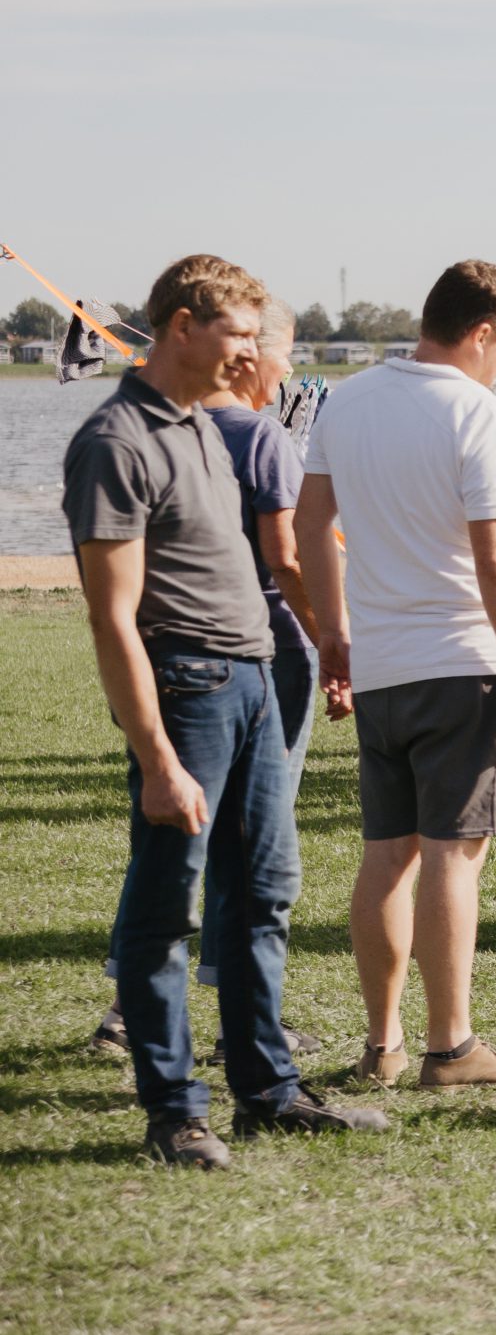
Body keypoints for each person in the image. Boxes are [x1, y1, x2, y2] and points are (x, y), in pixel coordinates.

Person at [65, 254, 387, 1168]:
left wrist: (324, 639)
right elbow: (112, 616)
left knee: (264, 891)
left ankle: (269, 1091)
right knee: (168, 898)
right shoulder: (117, 440)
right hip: (188, 687)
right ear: (181, 327)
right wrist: (158, 755)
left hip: (253, 678)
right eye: (238, 333)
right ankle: (174, 1109)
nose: (253, 353)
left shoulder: (207, 426)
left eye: (256, 335)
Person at [299, 260, 496, 1090]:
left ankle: (383, 1044)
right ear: (480, 333)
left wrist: (332, 634)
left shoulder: (350, 397)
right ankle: (451, 1047)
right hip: (462, 664)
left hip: (379, 666)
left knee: (387, 854)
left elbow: (309, 525)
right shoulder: (476, 410)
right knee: (455, 855)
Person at [91, 297, 330, 1069]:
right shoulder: (258, 435)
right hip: (260, 653)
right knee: (247, 852)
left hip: (186, 657)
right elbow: (289, 557)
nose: (284, 369)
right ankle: (229, 1037)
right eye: (279, 352)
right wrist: (337, 636)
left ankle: (129, 1013)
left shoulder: (180, 430)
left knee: (175, 849)